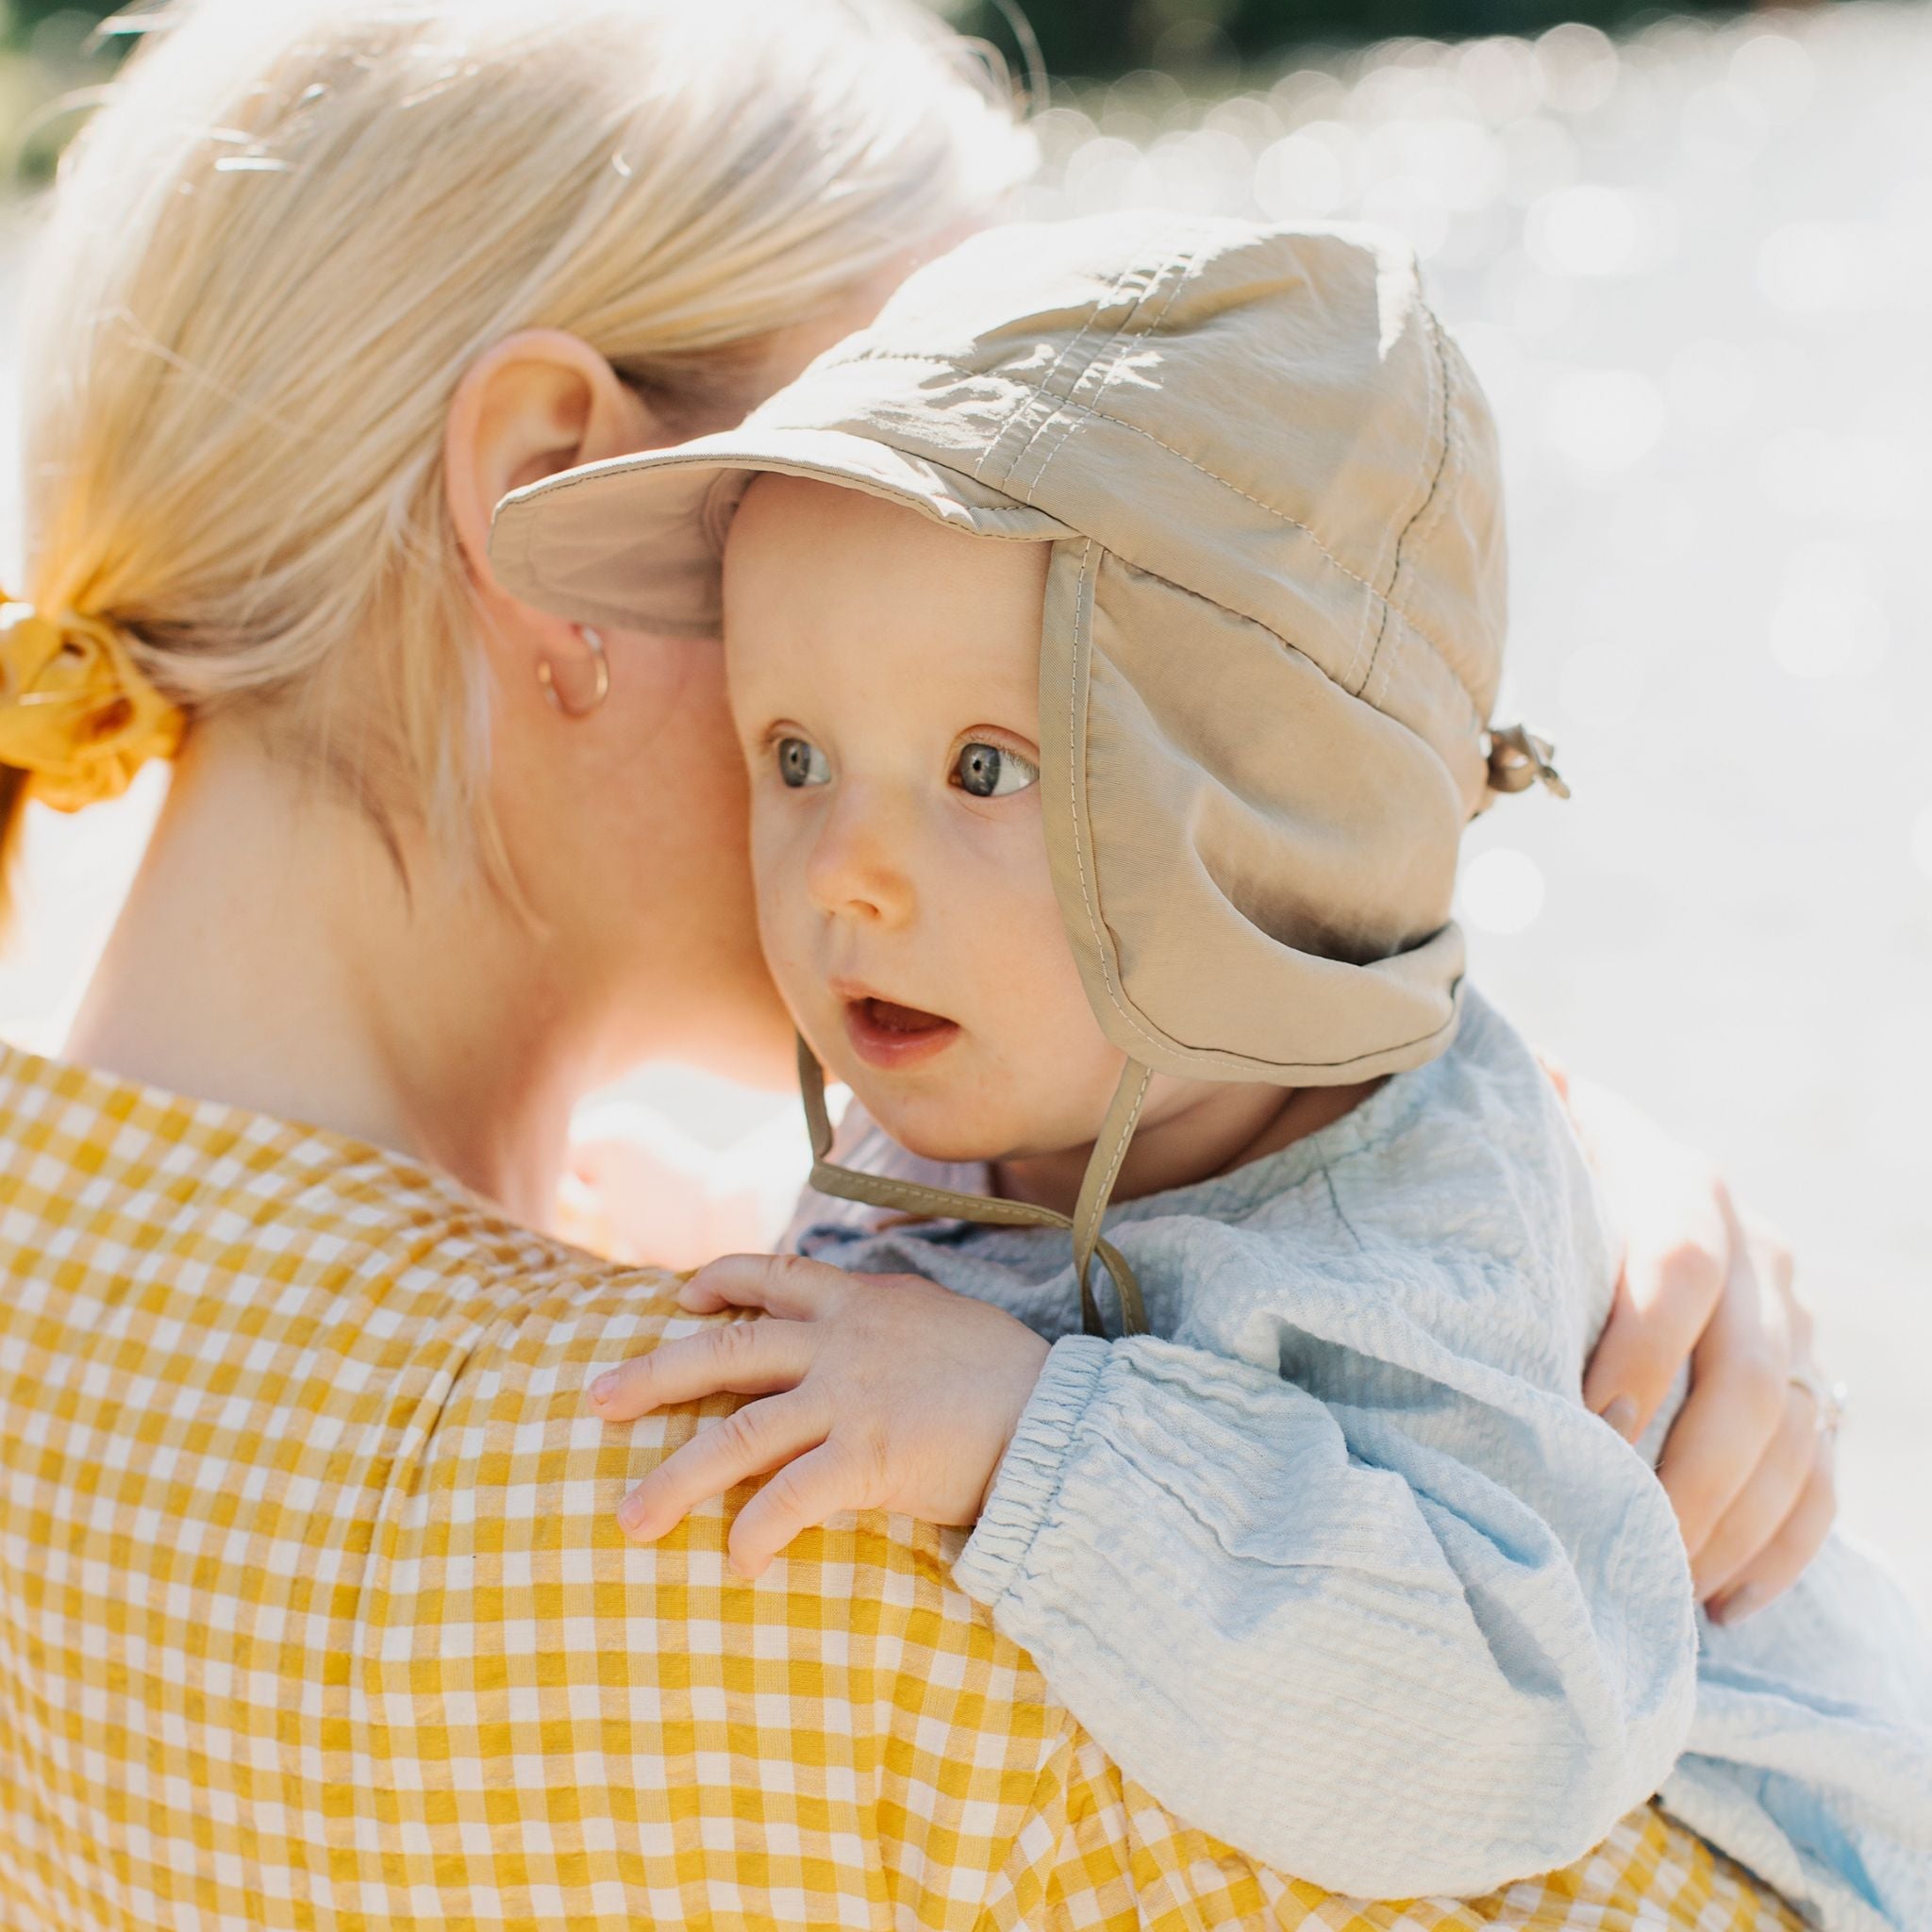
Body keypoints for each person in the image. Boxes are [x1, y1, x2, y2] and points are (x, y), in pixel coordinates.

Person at [0, 0, 1831, 1924]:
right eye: (961, 502)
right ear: (554, 508)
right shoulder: (873, 1537)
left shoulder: (106, 1298)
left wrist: (1439, 1171)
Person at [496, 213, 1932, 1924]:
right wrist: (716, 1211)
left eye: (984, 765)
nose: (840, 872)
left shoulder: (1422, 1230)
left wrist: (1030, 1434)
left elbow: (1523, 1723)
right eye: (795, 753)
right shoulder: (1021, 1080)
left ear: (1273, 821)